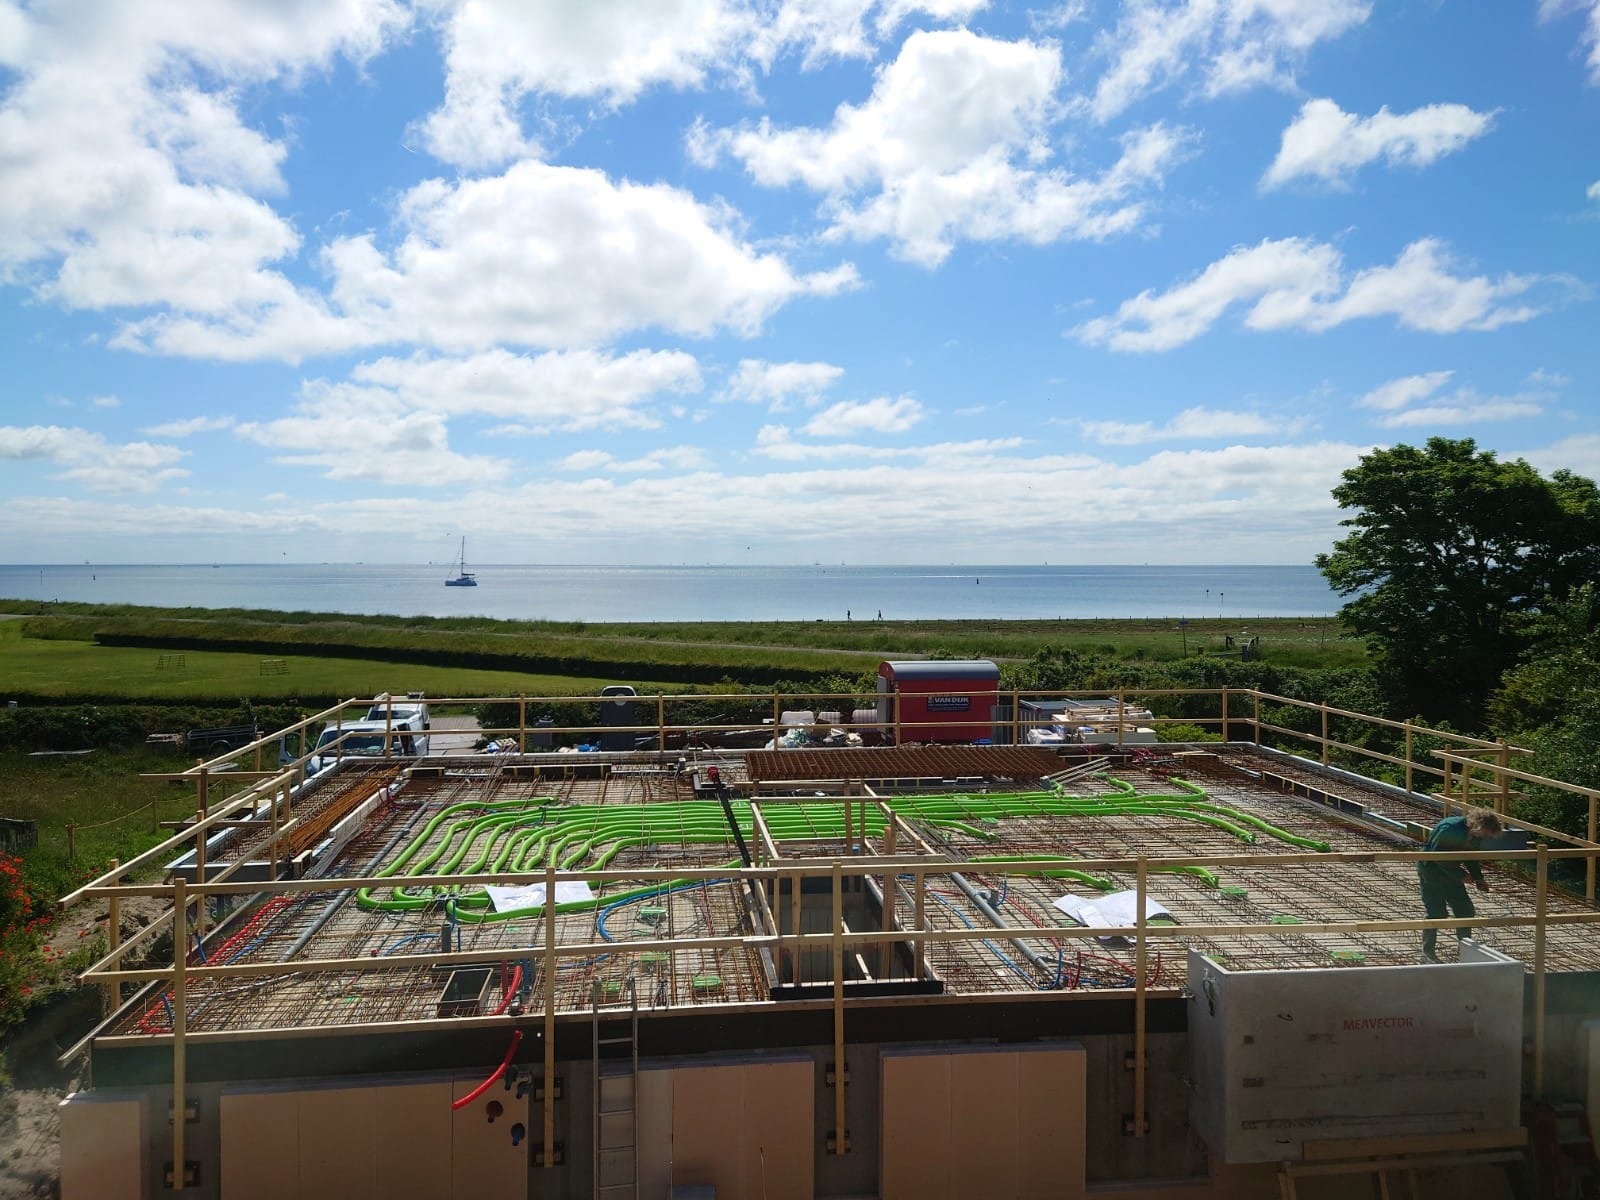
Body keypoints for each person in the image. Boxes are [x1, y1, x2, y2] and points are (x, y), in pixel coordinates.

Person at [1417, 806, 1503, 962]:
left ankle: (1465, 951)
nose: (1484, 838)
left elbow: (1470, 856)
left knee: (1465, 910)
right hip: (1432, 871)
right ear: (1478, 826)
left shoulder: (1475, 834)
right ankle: (1427, 952)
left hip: (1451, 872)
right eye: (1485, 835)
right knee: (1436, 913)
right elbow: (1438, 856)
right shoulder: (1450, 829)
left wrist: (1478, 878)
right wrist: (1462, 875)